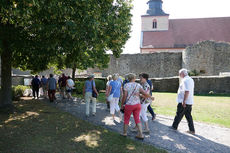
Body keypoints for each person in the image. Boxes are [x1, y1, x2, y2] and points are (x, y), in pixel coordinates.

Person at [121, 73, 154, 140]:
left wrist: (122, 104)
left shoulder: (126, 85)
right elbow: (145, 93)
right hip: (137, 105)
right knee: (137, 119)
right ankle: (141, 134)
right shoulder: (138, 85)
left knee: (126, 119)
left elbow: (124, 96)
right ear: (134, 78)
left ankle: (124, 133)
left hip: (129, 105)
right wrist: (151, 97)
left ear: (128, 79)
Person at [171, 69, 195, 135]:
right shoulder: (190, 79)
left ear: (182, 73)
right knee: (188, 116)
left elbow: (187, 91)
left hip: (185, 101)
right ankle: (192, 130)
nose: (179, 75)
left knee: (179, 114)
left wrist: (184, 101)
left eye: (179, 74)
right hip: (189, 101)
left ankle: (174, 126)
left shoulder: (185, 80)